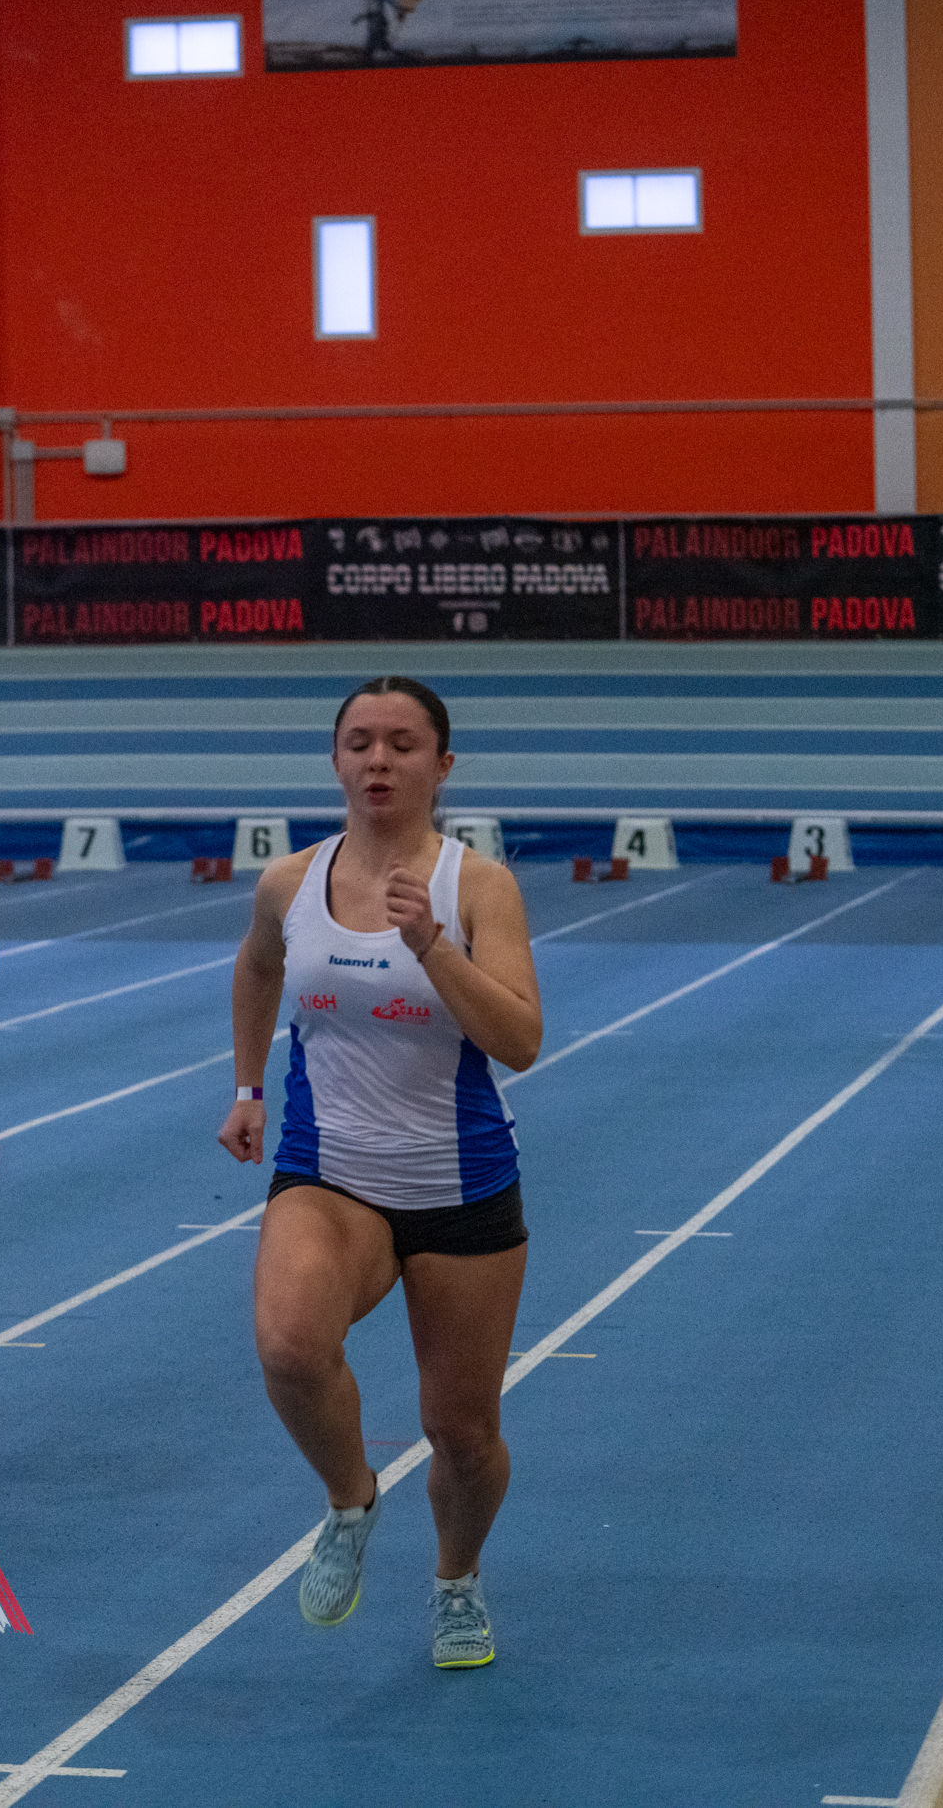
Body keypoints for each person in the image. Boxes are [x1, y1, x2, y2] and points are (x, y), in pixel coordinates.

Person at [216, 675, 543, 1671]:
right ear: (334, 760)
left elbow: (520, 1041)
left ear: (441, 766)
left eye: (402, 743)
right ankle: (350, 1500)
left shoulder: (477, 887)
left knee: (462, 1433)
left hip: (460, 1185)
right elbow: (257, 967)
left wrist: (431, 946)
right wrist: (247, 1085)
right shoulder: (290, 881)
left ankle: (456, 1580)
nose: (378, 760)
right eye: (359, 741)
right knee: (288, 1347)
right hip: (330, 1172)